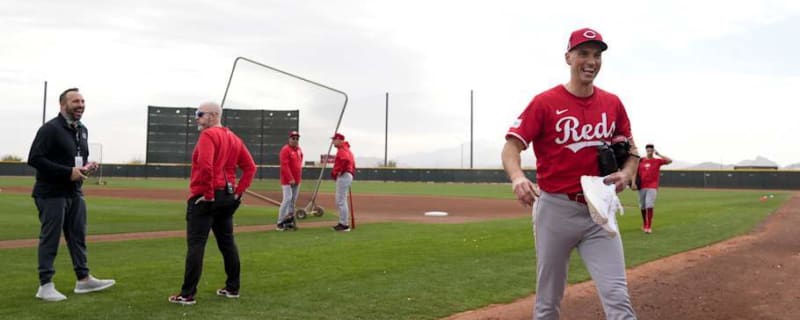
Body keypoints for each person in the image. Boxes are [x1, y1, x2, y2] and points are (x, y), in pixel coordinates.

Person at [501, 28, 640, 319]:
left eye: (597, 55)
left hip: (599, 210)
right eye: (583, 53)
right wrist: (517, 177)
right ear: (568, 57)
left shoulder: (612, 103)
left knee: (618, 297)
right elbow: (511, 147)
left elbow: (631, 151)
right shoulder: (545, 102)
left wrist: (627, 173)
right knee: (548, 301)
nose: (591, 61)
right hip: (555, 209)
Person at [27, 88, 116, 302]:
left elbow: (75, 159)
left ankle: (83, 279)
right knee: (50, 239)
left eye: (83, 101)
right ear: (63, 105)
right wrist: (68, 172)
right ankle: (45, 285)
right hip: (51, 193)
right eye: (75, 101)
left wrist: (86, 167)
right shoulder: (50, 129)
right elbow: (35, 159)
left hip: (75, 192)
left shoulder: (82, 130)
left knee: (78, 236)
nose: (80, 105)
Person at [169, 102, 257, 305]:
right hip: (227, 196)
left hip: (207, 197)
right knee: (227, 243)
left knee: (196, 244)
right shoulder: (234, 138)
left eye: (200, 114)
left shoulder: (208, 135)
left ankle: (187, 294)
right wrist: (238, 192)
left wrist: (208, 195)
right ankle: (232, 288)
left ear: (214, 115)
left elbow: (206, 166)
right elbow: (250, 167)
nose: (196, 118)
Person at [632, 144, 672, 233]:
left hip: (652, 186)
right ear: (646, 150)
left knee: (649, 204)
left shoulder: (657, 161)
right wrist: (633, 183)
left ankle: (648, 226)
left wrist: (659, 154)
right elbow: (635, 172)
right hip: (641, 186)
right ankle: (644, 223)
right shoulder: (641, 160)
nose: (649, 151)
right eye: (648, 150)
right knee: (642, 206)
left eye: (651, 150)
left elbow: (669, 161)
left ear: (653, 151)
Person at [276, 130, 303, 231]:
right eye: (293, 138)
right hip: (287, 181)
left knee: (292, 202)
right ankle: (280, 222)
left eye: (297, 138)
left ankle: (290, 221)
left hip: (297, 180)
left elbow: (299, 163)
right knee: (287, 199)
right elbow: (284, 166)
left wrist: (297, 178)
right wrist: (290, 178)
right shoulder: (285, 150)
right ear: (289, 139)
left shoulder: (299, 150)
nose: (295, 140)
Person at [330, 133, 355, 232]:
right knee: (341, 200)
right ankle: (342, 223)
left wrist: (341, 171)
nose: (333, 141)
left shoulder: (342, 150)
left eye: (334, 139)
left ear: (340, 140)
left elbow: (346, 160)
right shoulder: (346, 149)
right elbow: (352, 163)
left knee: (340, 201)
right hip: (347, 175)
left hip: (344, 175)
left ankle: (344, 224)